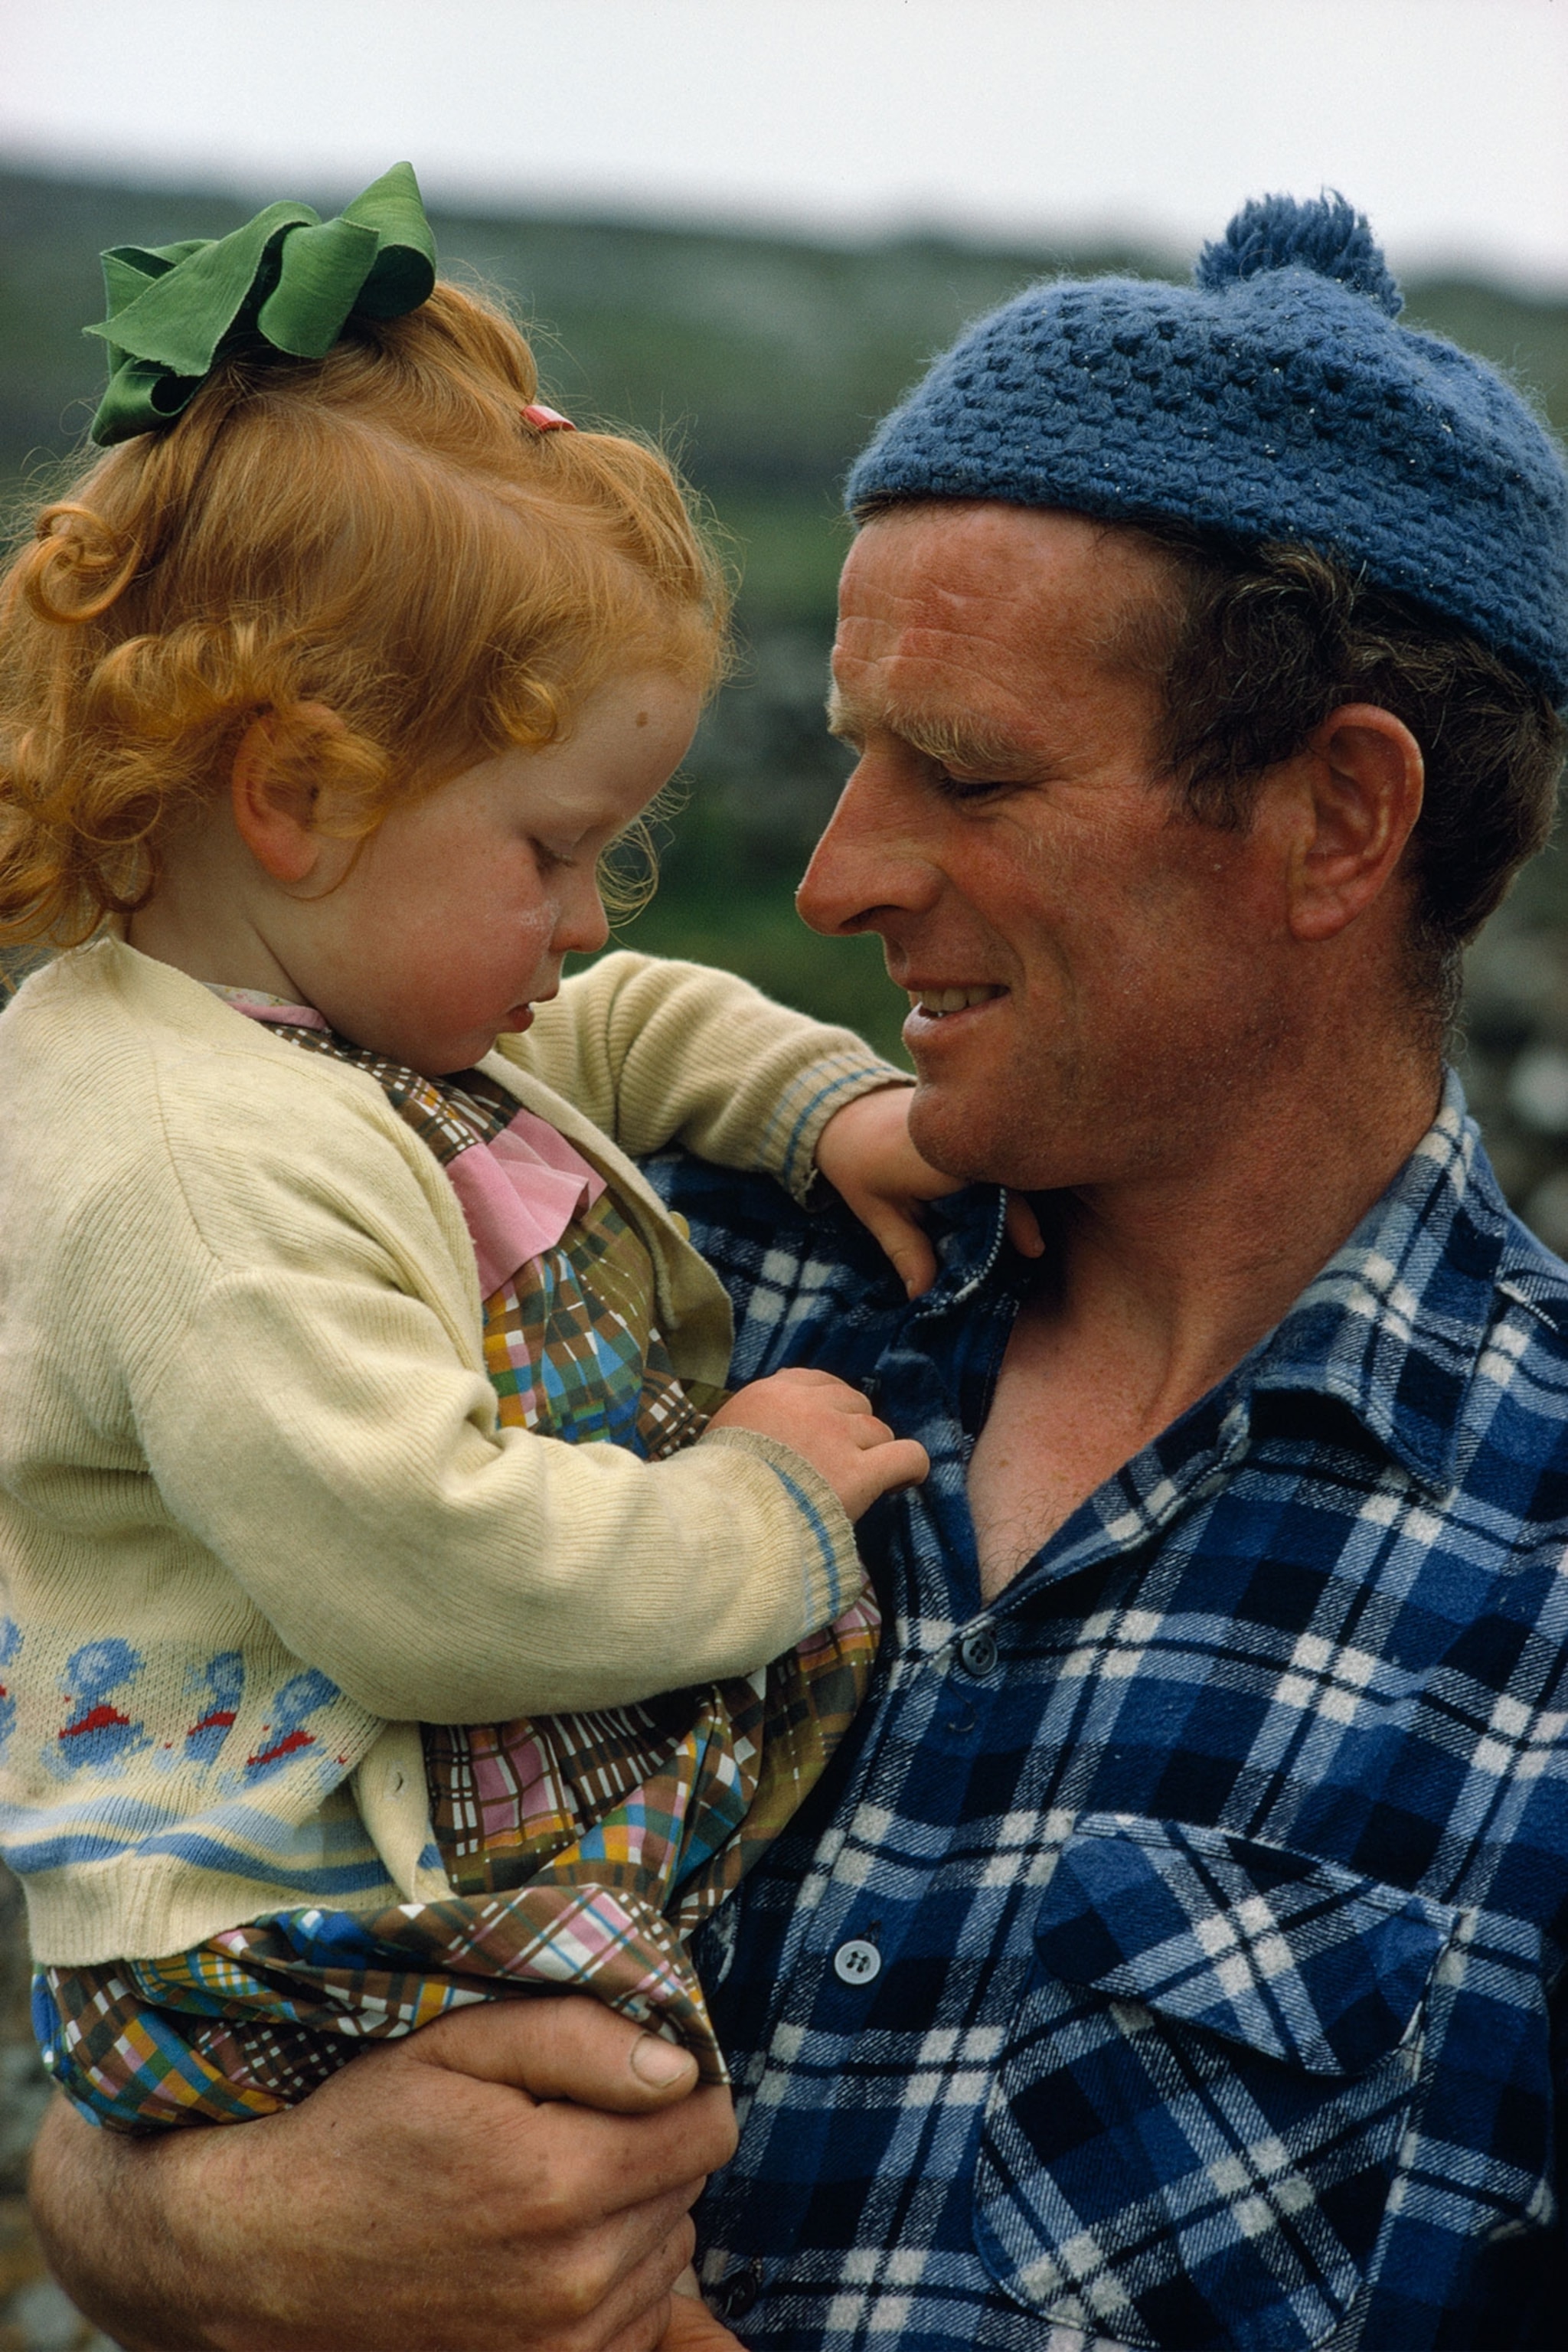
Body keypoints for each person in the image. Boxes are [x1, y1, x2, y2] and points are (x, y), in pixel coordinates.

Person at [28, 191, 1568, 2350]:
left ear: (1338, 820)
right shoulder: (606, 1241)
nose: (833, 872)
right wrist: (204, 2233)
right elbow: (132, 1969)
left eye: (961, 773)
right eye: (847, 749)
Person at [0, 165, 965, 2341]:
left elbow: (606, 1028)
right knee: (595, 2133)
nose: (592, 916)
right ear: (298, 797)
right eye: (551, 852)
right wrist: (768, 1514)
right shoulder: (187, 1177)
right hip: (284, 1938)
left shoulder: (311, 1007)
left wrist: (820, 1103)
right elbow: (419, 1575)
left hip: (351, 1879)